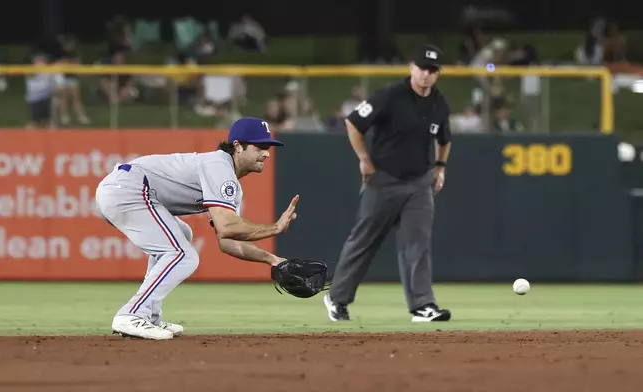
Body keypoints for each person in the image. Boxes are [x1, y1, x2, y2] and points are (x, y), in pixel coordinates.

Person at [95, 117, 299, 340]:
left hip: (125, 189)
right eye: (260, 146)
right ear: (238, 146)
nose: (267, 153)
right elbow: (228, 226)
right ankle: (132, 314)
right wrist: (275, 228)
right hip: (128, 189)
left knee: (183, 236)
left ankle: (148, 316)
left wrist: (271, 259)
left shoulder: (228, 179)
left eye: (268, 147)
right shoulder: (219, 165)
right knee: (183, 255)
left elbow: (228, 240)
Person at [323, 44, 453, 323]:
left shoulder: (439, 103)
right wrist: (363, 159)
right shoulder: (390, 96)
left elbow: (444, 138)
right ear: (411, 68)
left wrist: (440, 167)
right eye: (422, 68)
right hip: (384, 179)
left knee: (418, 243)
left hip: (419, 183)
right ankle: (337, 299)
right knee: (364, 241)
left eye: (432, 70)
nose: (426, 75)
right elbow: (353, 123)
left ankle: (422, 305)